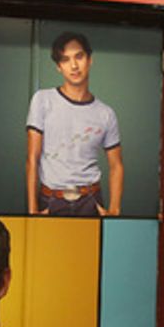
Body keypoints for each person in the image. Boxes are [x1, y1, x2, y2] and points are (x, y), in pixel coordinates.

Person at [26, 31, 123, 217]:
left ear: (90, 60)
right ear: (58, 67)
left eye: (79, 56)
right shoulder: (42, 100)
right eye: (65, 59)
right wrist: (32, 210)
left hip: (91, 200)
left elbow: (117, 165)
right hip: (51, 200)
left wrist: (114, 210)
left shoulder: (106, 113)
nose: (74, 65)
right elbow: (32, 158)